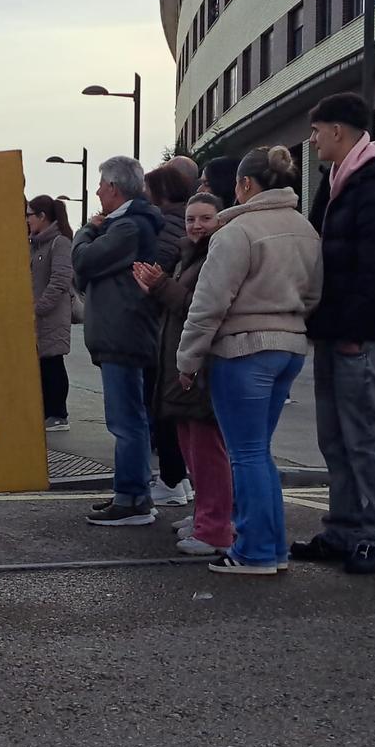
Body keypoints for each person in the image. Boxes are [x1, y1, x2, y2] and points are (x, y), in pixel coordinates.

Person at [292, 92, 375, 575]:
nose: (313, 139)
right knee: (337, 439)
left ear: (339, 132)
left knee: (368, 437)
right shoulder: (339, 182)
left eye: (317, 130)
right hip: (334, 331)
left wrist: (354, 331)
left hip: (359, 335)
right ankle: (345, 530)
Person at [177, 146, 322, 575]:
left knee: (245, 454)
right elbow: (313, 295)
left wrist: (187, 359)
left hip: (242, 350)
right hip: (289, 345)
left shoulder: (236, 232)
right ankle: (270, 547)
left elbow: (208, 304)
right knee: (258, 452)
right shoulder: (305, 229)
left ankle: (255, 551)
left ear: (244, 185)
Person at [134, 193, 234, 555]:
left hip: (201, 364)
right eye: (191, 218)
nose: (196, 225)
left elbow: (201, 308)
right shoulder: (188, 255)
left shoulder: (216, 255)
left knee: (208, 451)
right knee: (192, 447)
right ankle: (204, 516)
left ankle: (214, 526)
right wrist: (156, 290)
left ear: (220, 220)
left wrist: (161, 286)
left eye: (205, 218)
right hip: (181, 360)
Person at [73, 156, 164, 526]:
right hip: (121, 330)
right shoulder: (128, 224)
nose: (97, 191)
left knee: (126, 420)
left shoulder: (127, 227)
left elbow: (84, 261)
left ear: (113, 187)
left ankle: (132, 499)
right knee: (131, 418)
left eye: (100, 185)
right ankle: (132, 493)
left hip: (122, 332)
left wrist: (86, 231)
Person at [141, 165, 195, 507]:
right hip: (171, 324)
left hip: (167, 327)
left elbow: (152, 269)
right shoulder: (176, 222)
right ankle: (181, 480)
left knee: (164, 406)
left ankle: (173, 479)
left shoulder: (165, 225)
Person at [25, 195, 74, 431]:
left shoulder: (59, 242)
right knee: (41, 365)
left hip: (51, 315)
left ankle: (58, 413)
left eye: (29, 215)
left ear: (43, 216)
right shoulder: (34, 244)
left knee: (53, 362)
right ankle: (47, 412)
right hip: (36, 315)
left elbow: (61, 280)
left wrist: (39, 307)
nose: (27, 220)